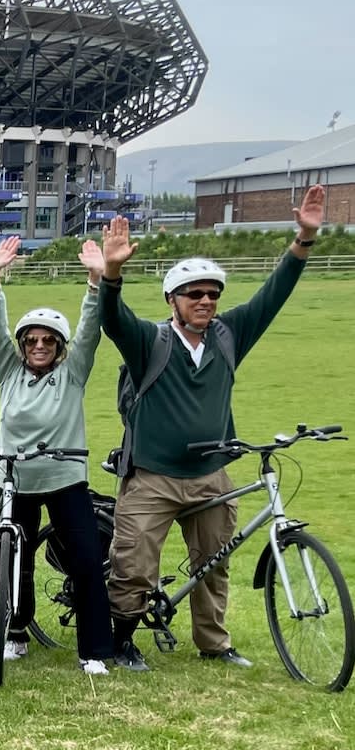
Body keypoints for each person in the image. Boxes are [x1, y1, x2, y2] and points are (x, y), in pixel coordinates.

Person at [98, 184, 326, 672]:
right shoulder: (150, 341)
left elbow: (272, 296)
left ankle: (213, 642)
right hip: (154, 475)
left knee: (214, 563)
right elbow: (112, 321)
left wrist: (303, 239)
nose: (205, 301)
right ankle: (121, 640)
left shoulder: (228, 336)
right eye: (194, 294)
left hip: (211, 476)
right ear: (172, 299)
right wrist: (112, 273)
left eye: (212, 294)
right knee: (134, 564)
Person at [0, 236, 114, 675]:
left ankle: (93, 650)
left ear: (59, 346)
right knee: (13, 559)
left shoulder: (72, 373)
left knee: (86, 561)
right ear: (22, 345)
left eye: (48, 341)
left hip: (64, 479)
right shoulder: (9, 371)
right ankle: (16, 632)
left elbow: (90, 330)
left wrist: (95, 281)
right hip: (13, 479)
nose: (39, 346)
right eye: (32, 340)